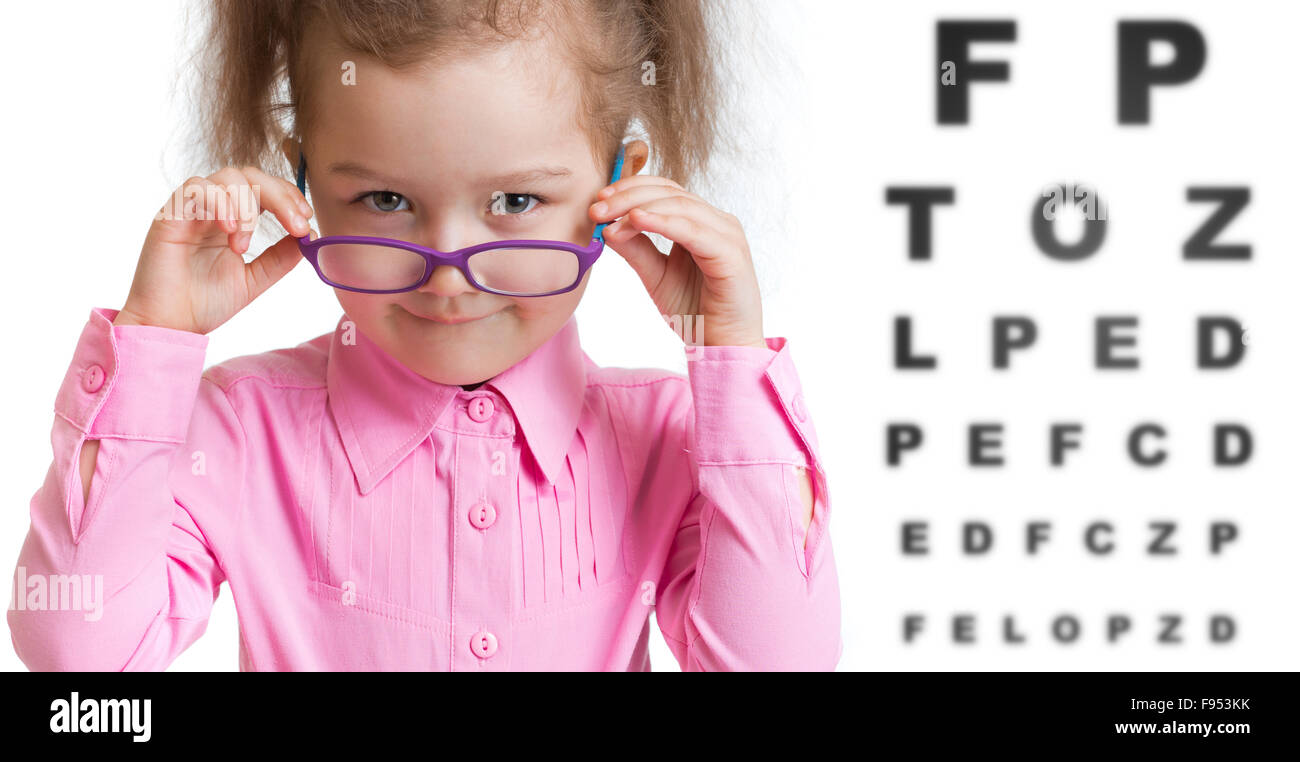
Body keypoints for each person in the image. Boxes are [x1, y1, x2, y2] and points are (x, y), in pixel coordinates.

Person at [9, 0, 840, 671]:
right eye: (384, 201)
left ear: (619, 183)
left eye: (515, 203)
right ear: (301, 181)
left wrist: (729, 359)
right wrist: (154, 339)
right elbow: (80, 655)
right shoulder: (235, 429)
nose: (446, 275)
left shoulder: (666, 439)